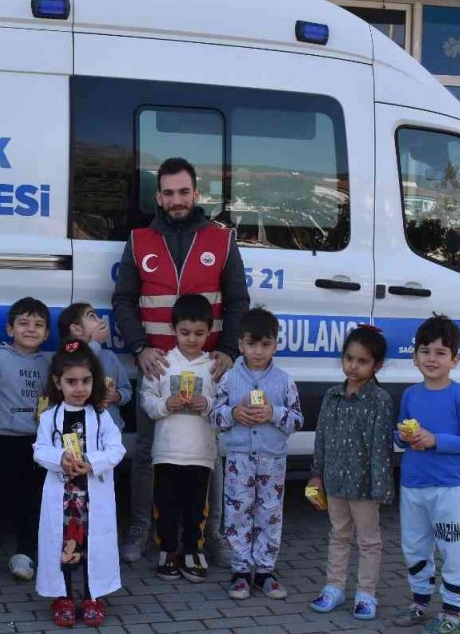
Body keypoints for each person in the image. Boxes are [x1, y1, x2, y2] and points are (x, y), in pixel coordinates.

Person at [112, 157, 249, 563]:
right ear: (158, 197)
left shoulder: (223, 240)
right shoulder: (139, 240)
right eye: (168, 193)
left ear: (196, 193)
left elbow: (239, 301)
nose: (176, 200)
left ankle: (214, 533)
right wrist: (139, 347)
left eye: (183, 191)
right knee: (148, 453)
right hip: (157, 365)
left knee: (211, 451)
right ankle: (141, 527)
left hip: (208, 366)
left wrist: (226, 351)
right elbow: (123, 299)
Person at [392, 314, 460, 634]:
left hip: (447, 488)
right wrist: (402, 436)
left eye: (441, 353)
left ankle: (452, 613)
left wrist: (436, 440)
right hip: (412, 486)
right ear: (414, 356)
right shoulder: (410, 395)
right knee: (414, 546)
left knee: (453, 550)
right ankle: (419, 603)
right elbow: (398, 434)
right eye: (425, 351)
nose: (432, 358)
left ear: (454, 360)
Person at [209, 307, 303, 600]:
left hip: (273, 460)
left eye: (265, 344)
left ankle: (264, 571)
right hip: (238, 460)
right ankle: (240, 572)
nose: (258, 351)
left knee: (269, 514)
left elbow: (297, 420)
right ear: (240, 344)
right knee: (238, 514)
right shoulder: (229, 379)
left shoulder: (285, 381)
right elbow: (214, 417)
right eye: (252, 344)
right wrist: (235, 413)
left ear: (275, 344)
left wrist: (274, 413)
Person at [34, 341, 125, 628]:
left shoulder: (100, 416)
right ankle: (62, 597)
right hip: (64, 499)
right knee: (63, 546)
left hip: (91, 496)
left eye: (86, 381)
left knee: (91, 547)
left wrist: (93, 462)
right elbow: (39, 449)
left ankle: (92, 597)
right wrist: (59, 457)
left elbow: (117, 448)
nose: (79, 388)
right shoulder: (50, 417)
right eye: (71, 381)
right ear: (57, 383)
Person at [308, 325, 396, 620]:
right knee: (338, 534)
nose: (353, 367)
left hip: (365, 485)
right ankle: (334, 587)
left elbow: (381, 448)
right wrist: (316, 474)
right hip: (334, 481)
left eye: (362, 361)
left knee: (369, 540)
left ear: (377, 365)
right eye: (349, 358)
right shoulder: (332, 396)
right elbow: (321, 437)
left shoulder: (379, 401)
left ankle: (366, 594)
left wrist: (381, 487)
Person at [0, 297, 51, 582]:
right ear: (10, 329)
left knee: (32, 500)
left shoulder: (49, 363)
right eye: (24, 323)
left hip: (37, 444)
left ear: (47, 333)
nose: (31, 329)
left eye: (39, 325)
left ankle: (25, 554)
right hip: (2, 441)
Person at [140, 294, 220, 583]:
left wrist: (208, 404)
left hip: (201, 453)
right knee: (167, 505)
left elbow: (223, 404)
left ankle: (192, 550)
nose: (192, 339)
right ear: (173, 329)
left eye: (199, 333)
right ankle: (168, 550)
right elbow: (147, 400)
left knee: (196, 507)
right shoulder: (162, 363)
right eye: (185, 332)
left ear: (210, 331)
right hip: (166, 452)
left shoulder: (213, 367)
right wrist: (165, 405)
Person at [57, 303, 133, 429]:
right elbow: (78, 362)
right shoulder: (66, 353)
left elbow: (126, 389)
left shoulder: (109, 356)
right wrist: (95, 342)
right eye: (92, 316)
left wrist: (116, 396)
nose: (100, 320)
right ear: (76, 329)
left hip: (110, 431)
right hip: (79, 432)